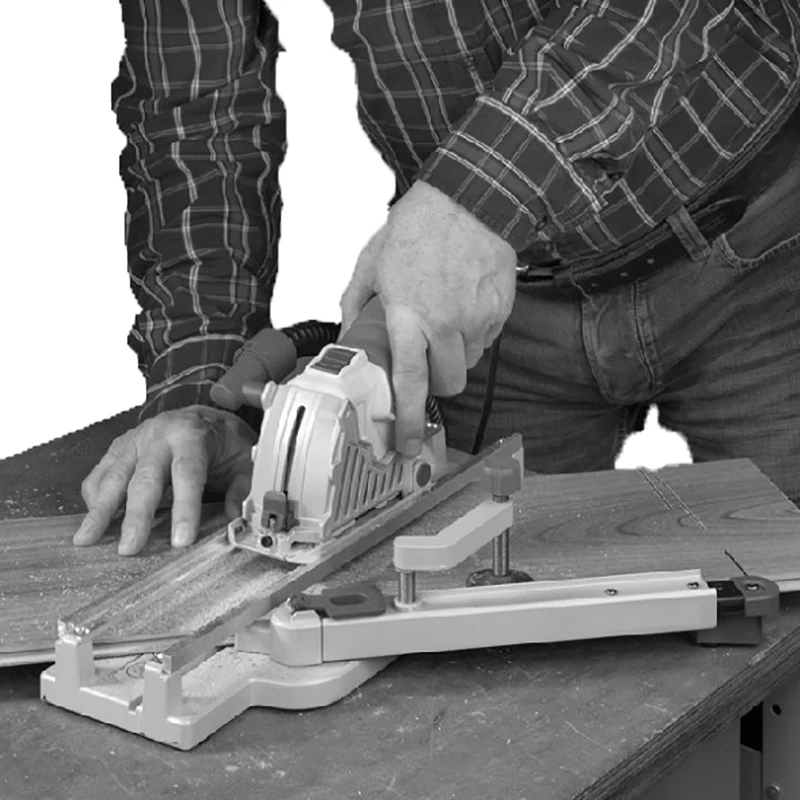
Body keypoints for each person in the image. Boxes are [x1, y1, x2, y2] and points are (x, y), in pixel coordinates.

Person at [74, 1, 800, 556]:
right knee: (496, 647)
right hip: (486, 317)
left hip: (759, 247)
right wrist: (203, 395)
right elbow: (196, 122)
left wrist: (484, 191)